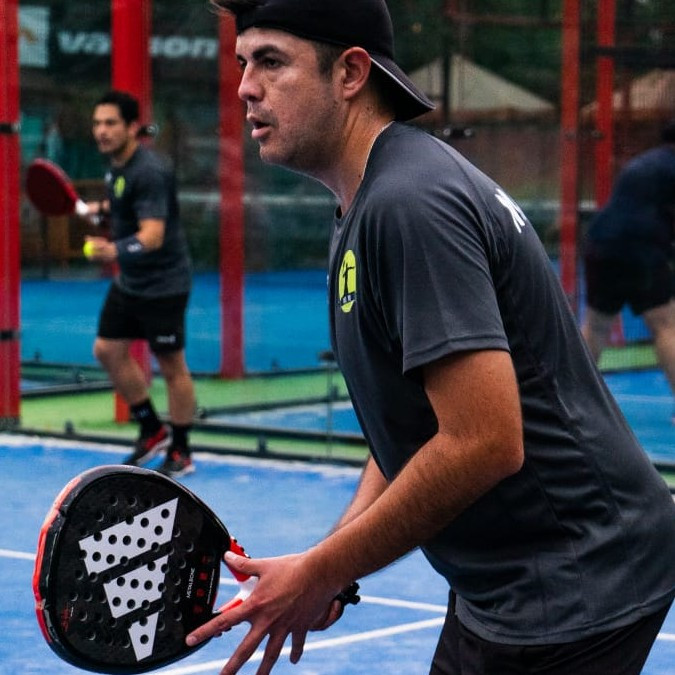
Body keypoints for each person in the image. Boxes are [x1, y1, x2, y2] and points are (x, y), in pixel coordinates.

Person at [190, 1, 675, 673]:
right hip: (518, 584)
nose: (246, 86)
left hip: (574, 584)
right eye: (243, 63)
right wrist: (333, 565)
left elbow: (483, 441)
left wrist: (321, 570)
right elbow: (411, 424)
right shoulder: (369, 198)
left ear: (350, 73)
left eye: (271, 61)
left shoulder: (408, 204)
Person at [84, 90, 196, 477]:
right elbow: (123, 204)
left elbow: (152, 236)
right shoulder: (117, 166)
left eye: (110, 123)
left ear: (132, 127)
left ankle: (181, 449)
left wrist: (113, 250)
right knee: (107, 350)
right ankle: (152, 428)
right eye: (97, 123)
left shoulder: (149, 171)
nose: (101, 131)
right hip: (131, 282)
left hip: (163, 284)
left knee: (171, 365)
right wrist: (98, 209)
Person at [581, 121, 675, 421]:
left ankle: (572, 402)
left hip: (599, 245)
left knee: (596, 325)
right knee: (664, 324)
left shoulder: (644, 163)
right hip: (640, 248)